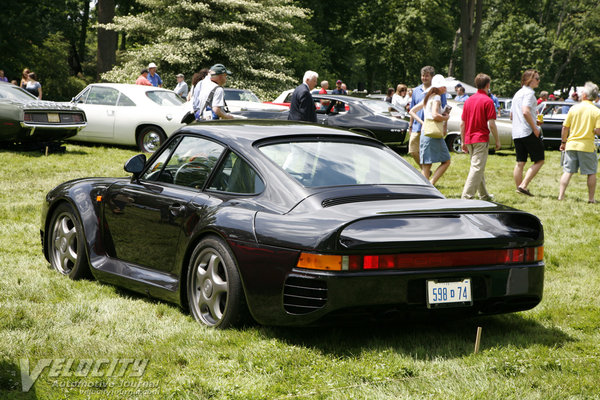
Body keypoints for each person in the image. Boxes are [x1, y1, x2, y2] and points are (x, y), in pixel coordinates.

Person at [460, 73, 501, 201]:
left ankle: (484, 195)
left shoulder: (468, 101)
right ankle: (466, 197)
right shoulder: (488, 101)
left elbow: (462, 124)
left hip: (469, 138)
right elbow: (492, 125)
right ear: (488, 85)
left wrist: (463, 141)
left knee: (478, 167)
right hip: (481, 139)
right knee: (477, 168)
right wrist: (498, 141)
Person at [558, 81, 600, 203]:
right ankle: (591, 199)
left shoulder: (574, 108)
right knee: (591, 173)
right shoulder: (596, 111)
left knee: (567, 171)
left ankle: (561, 196)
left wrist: (563, 142)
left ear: (585, 95)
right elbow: (598, 130)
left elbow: (565, 127)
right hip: (587, 146)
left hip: (571, 144)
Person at [409, 74, 451, 185]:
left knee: (426, 164)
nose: (445, 89)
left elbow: (412, 110)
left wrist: (422, 122)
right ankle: (431, 184)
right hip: (433, 133)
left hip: (425, 131)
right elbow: (435, 115)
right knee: (446, 161)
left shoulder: (428, 97)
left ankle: (425, 188)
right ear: (440, 87)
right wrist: (445, 117)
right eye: (444, 87)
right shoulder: (436, 97)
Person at [510, 69, 544, 197]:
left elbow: (512, 116)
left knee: (520, 162)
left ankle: (519, 189)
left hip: (516, 132)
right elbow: (525, 111)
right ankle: (523, 185)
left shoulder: (517, 94)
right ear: (529, 80)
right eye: (536, 78)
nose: (538, 81)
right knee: (540, 160)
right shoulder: (529, 94)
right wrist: (535, 127)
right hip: (527, 131)